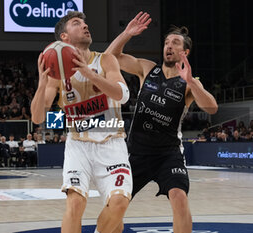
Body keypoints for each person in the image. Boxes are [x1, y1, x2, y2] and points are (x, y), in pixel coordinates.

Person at [106, 12, 218, 233]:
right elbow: (109, 58)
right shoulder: (148, 68)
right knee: (115, 207)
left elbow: (212, 107)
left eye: (175, 43)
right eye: (166, 42)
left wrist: (192, 84)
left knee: (179, 197)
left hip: (168, 153)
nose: (168, 46)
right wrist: (127, 34)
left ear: (184, 52)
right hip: (136, 152)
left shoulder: (189, 83)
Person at [31, 11, 132, 233]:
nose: (85, 26)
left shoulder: (106, 60)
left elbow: (123, 96)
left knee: (119, 206)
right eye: (77, 24)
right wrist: (41, 84)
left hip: (112, 142)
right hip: (79, 145)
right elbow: (37, 117)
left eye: (85, 23)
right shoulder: (56, 75)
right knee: (75, 203)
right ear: (64, 37)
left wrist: (91, 74)